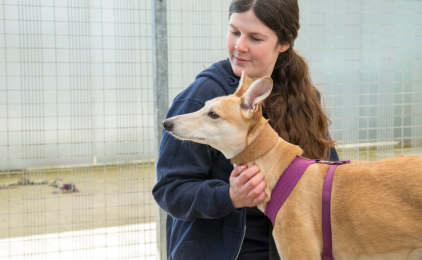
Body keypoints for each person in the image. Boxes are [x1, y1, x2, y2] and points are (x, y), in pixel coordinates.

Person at [152, 0, 339, 259]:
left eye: (255, 38)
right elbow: (169, 191)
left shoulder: (305, 98)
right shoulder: (203, 98)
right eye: (234, 32)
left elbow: (327, 174)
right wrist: (230, 196)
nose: (240, 46)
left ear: (283, 43)